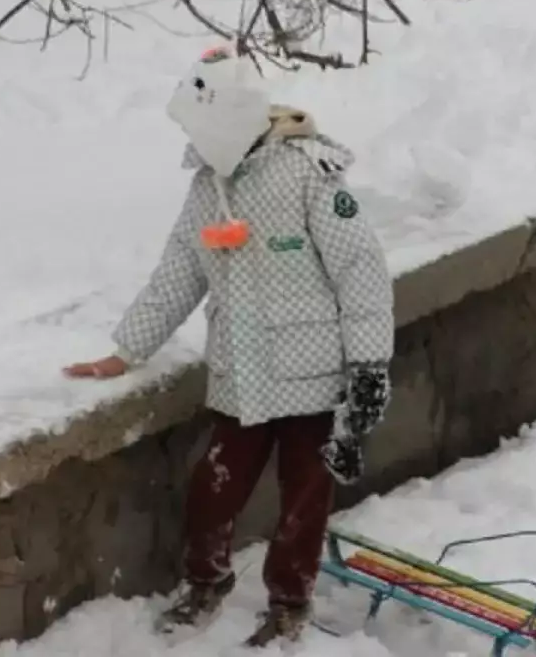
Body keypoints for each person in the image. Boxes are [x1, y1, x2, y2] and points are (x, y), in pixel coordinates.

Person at [63, 46, 395, 647]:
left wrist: (369, 366)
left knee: (304, 501)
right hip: (242, 379)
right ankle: (205, 581)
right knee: (213, 487)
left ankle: (290, 602)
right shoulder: (204, 190)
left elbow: (360, 268)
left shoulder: (305, 172)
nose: (191, 136)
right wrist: (126, 350)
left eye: (196, 123)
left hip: (314, 380)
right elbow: (178, 273)